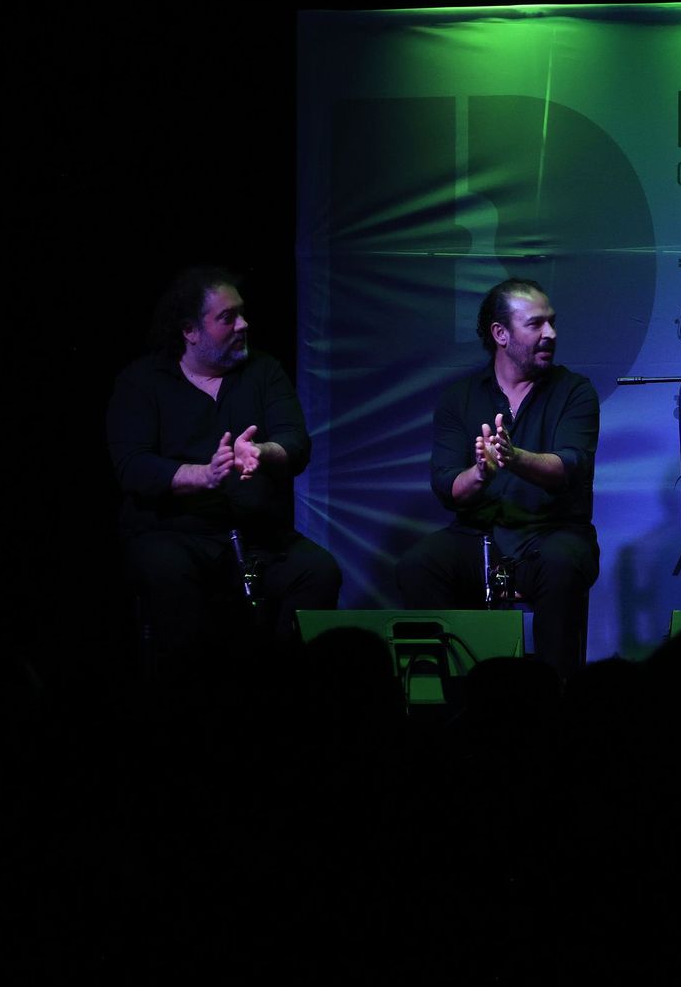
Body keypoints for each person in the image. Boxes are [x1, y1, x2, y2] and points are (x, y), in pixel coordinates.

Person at [107, 266, 342, 666]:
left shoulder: (264, 371)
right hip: (174, 535)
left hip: (259, 537)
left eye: (242, 312)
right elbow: (133, 467)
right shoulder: (143, 381)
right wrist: (205, 474)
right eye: (227, 317)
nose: (243, 324)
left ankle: (286, 682)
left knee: (318, 571)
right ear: (189, 330)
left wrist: (263, 452)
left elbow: (295, 444)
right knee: (168, 574)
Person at [396, 278, 598, 681]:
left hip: (551, 533)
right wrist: (480, 472)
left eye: (552, 323)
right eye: (536, 324)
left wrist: (513, 457)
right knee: (420, 565)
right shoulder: (461, 397)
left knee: (563, 564)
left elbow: (569, 466)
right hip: (479, 536)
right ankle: (459, 692)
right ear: (501, 334)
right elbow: (447, 487)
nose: (550, 334)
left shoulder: (574, 391)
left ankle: (557, 699)